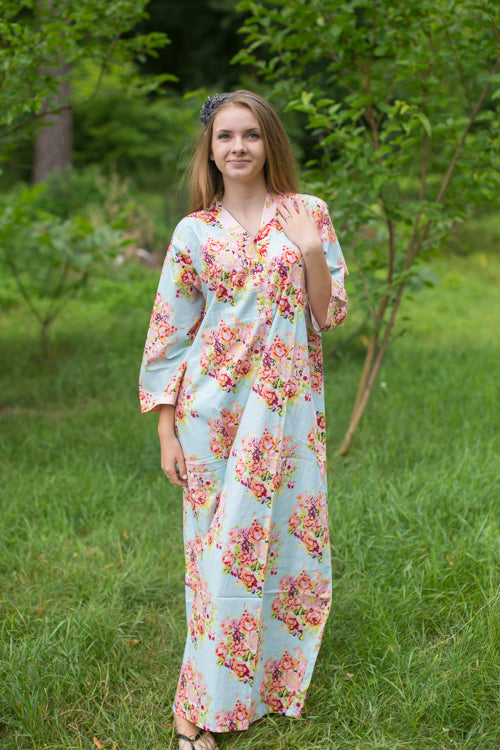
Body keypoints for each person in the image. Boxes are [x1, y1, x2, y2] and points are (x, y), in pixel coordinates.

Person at [139, 89, 348, 750]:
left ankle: (264, 690)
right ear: (210, 148)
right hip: (213, 416)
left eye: (250, 135)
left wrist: (310, 249)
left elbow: (328, 313)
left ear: (269, 143)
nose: (237, 147)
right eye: (225, 136)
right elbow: (169, 336)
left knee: (288, 554)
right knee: (218, 560)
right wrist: (167, 427)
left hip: (287, 422)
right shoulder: (192, 232)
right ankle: (194, 710)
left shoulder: (307, 214)